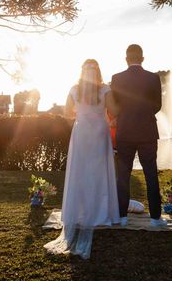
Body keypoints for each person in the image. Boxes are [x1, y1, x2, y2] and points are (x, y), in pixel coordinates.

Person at [44, 59, 120, 259]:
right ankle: (100, 211)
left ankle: (78, 210)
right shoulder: (104, 89)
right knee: (97, 173)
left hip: (81, 132)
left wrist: (81, 113)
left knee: (80, 172)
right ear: (98, 72)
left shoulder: (74, 90)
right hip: (99, 133)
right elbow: (115, 110)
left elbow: (67, 112)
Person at [112, 44, 167, 228]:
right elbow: (157, 105)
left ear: (126, 59)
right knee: (151, 174)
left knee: (123, 176)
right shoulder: (153, 78)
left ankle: (122, 216)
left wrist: (125, 116)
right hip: (147, 132)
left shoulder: (117, 78)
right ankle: (155, 217)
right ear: (142, 58)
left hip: (125, 131)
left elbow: (115, 106)